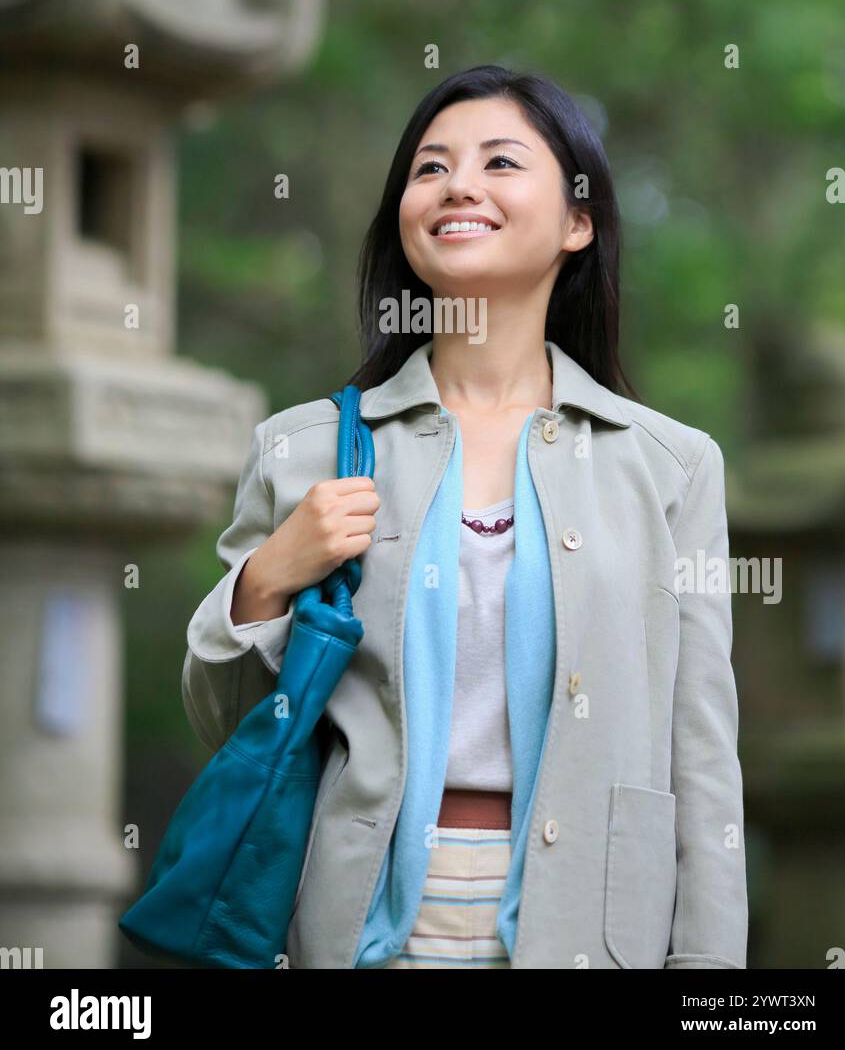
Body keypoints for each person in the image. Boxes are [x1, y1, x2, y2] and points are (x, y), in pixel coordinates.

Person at [183, 64, 748, 970]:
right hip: (353, 928)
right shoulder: (304, 451)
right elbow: (229, 724)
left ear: (577, 220)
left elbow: (704, 758)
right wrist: (266, 580)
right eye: (430, 167)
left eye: (499, 162)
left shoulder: (672, 468)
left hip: (595, 933)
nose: (458, 187)